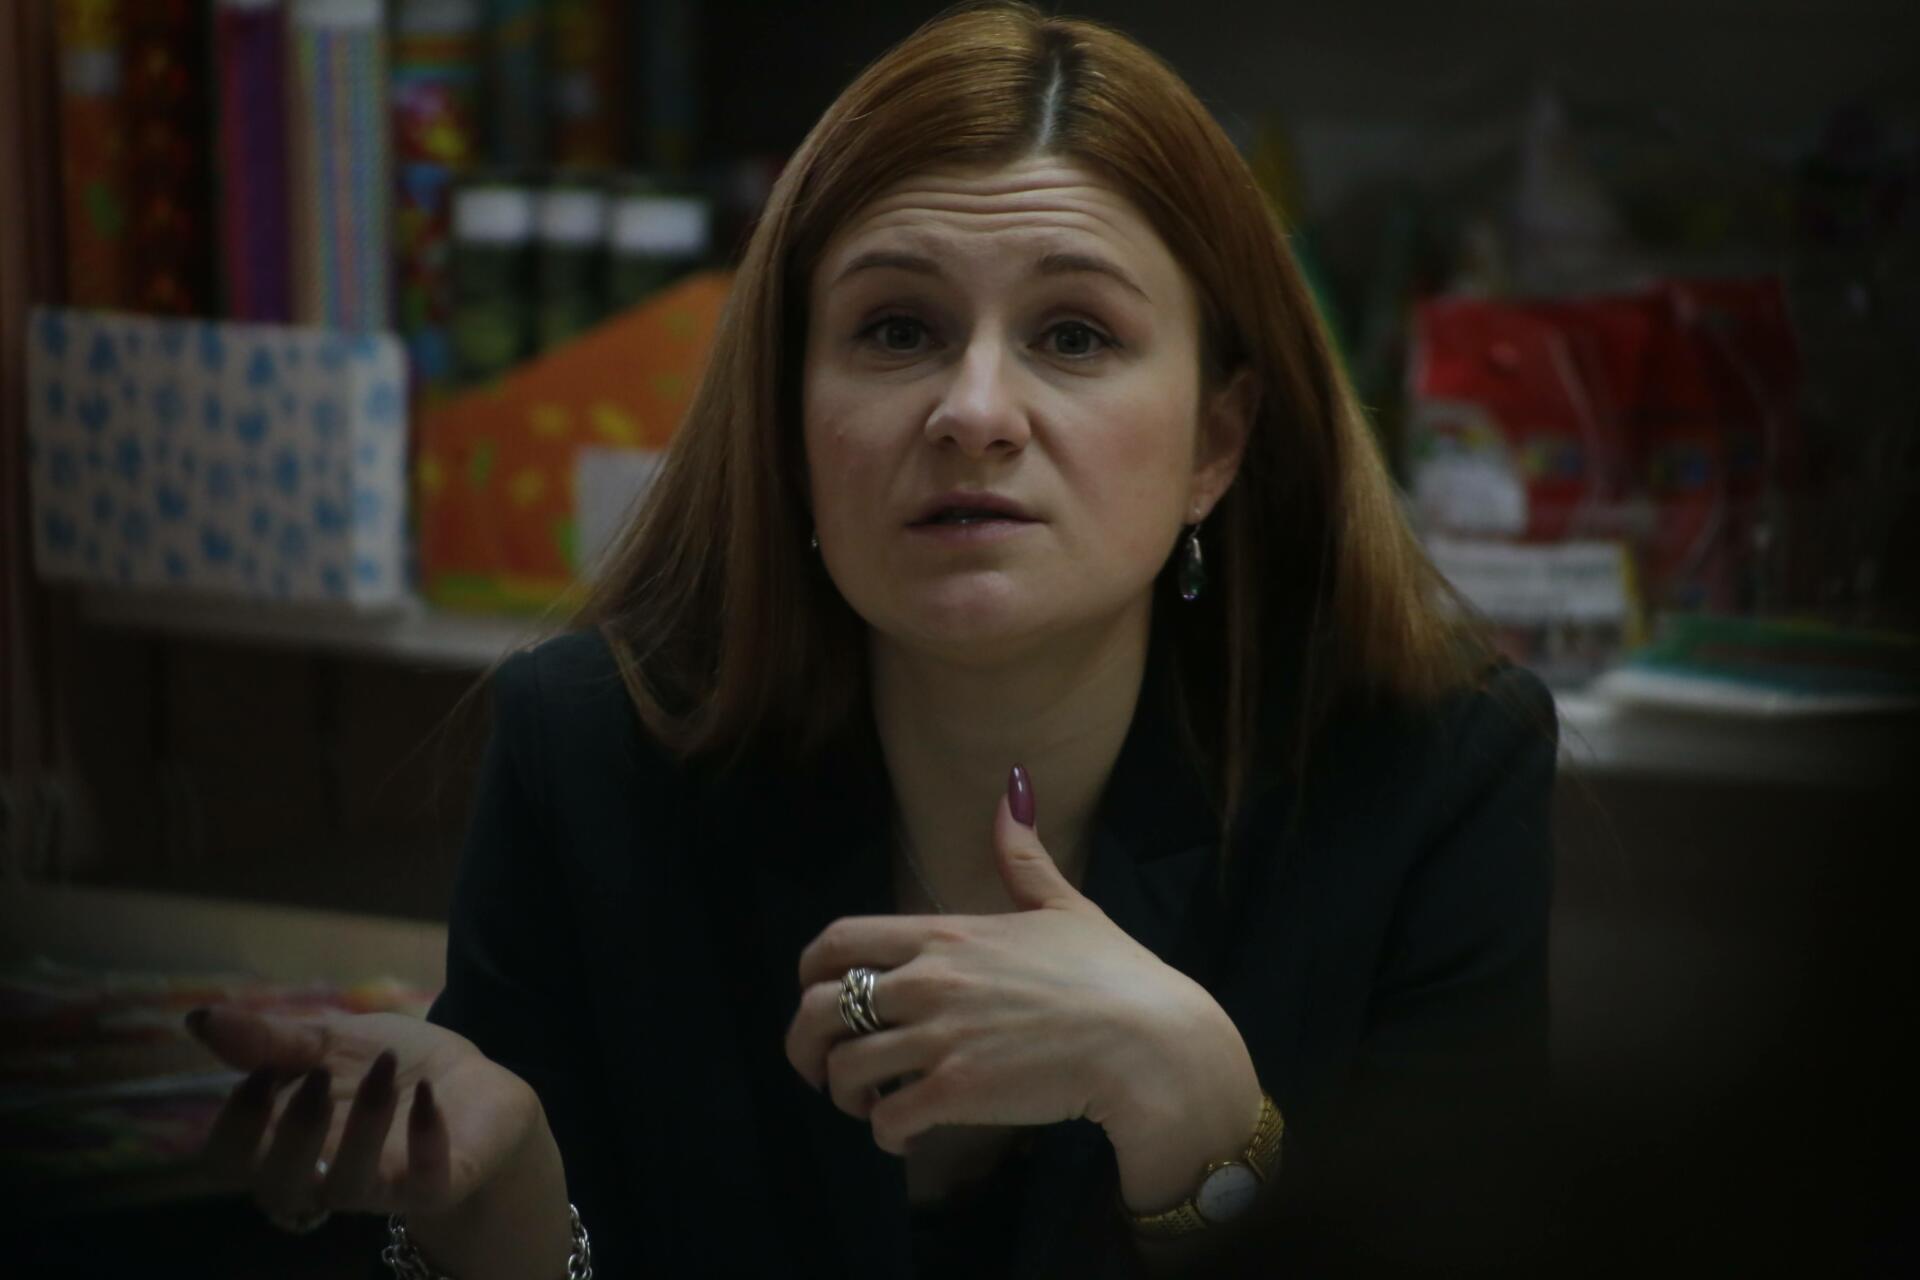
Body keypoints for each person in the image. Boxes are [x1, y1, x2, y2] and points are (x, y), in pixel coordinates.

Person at [183, 3, 1557, 1276]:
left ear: (1217, 441)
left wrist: (1198, 1112)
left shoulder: (1424, 777)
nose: (975, 412)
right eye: (898, 328)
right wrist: (499, 1212)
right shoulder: (590, 752)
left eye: (1074, 335)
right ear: (792, 420)